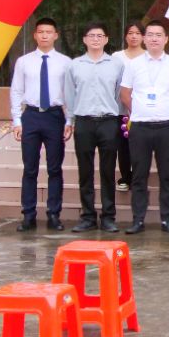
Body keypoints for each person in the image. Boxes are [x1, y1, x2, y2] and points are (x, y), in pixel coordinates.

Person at [119, 20, 169, 234]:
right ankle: (138, 219)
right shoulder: (133, 64)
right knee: (139, 174)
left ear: (166, 39)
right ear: (144, 39)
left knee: (167, 175)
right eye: (150, 35)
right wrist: (140, 109)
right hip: (140, 126)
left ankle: (167, 220)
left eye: (159, 35)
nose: (154, 39)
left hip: (167, 126)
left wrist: (165, 109)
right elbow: (125, 93)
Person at [9, 18, 72, 232]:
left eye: (49, 32)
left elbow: (69, 94)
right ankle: (28, 215)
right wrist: (17, 120)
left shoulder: (65, 62)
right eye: (41, 32)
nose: (45, 35)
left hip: (54, 116)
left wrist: (69, 120)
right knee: (30, 168)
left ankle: (54, 214)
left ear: (56, 35)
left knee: (55, 168)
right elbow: (16, 91)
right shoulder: (24, 61)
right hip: (31, 116)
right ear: (35, 35)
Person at [62, 22, 123, 233]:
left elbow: (119, 94)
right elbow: (70, 95)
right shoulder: (75, 65)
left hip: (108, 121)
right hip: (84, 122)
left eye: (100, 36)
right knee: (85, 171)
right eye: (91, 35)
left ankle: (108, 217)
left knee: (108, 170)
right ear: (84, 40)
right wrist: (69, 121)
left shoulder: (116, 65)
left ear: (106, 39)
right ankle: (87, 216)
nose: (95, 39)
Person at [112, 22, 146, 192]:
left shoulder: (148, 56)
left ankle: (139, 177)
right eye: (130, 33)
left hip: (143, 108)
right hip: (121, 107)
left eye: (138, 33)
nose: (134, 36)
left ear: (143, 37)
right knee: (123, 144)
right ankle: (125, 177)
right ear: (125, 36)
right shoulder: (116, 57)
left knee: (141, 144)